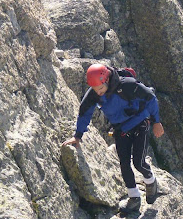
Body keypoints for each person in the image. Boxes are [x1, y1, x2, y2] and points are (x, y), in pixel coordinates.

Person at [62, 64, 165, 214]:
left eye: (100, 88)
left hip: (140, 123)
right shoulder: (94, 93)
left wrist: (156, 122)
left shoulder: (127, 85)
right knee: (124, 163)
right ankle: (134, 198)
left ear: (107, 80)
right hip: (121, 129)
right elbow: (84, 112)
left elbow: (150, 97)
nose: (98, 92)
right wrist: (77, 136)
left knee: (139, 162)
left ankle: (151, 181)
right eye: (95, 89)